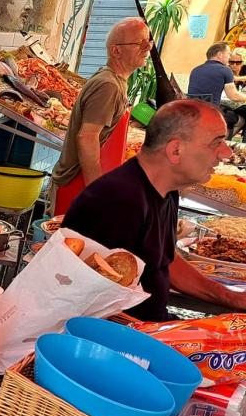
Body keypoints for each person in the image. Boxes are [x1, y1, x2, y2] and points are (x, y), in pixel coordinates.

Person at [63, 99, 243, 320]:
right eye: (217, 142)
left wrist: (230, 296)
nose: (226, 153)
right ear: (176, 150)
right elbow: (86, 306)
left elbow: (165, 261)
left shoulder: (166, 190)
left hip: (150, 327)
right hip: (124, 339)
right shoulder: (119, 201)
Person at [51, 17, 152, 214]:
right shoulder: (108, 85)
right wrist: (95, 192)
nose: (147, 48)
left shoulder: (117, 81)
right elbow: (87, 137)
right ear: (116, 50)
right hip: (77, 184)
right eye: (140, 43)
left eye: (148, 41)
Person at [187, 42, 246, 139]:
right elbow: (233, 96)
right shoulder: (225, 70)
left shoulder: (195, 69)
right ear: (220, 55)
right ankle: (220, 142)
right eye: (228, 54)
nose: (229, 57)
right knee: (240, 120)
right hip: (212, 112)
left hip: (193, 111)